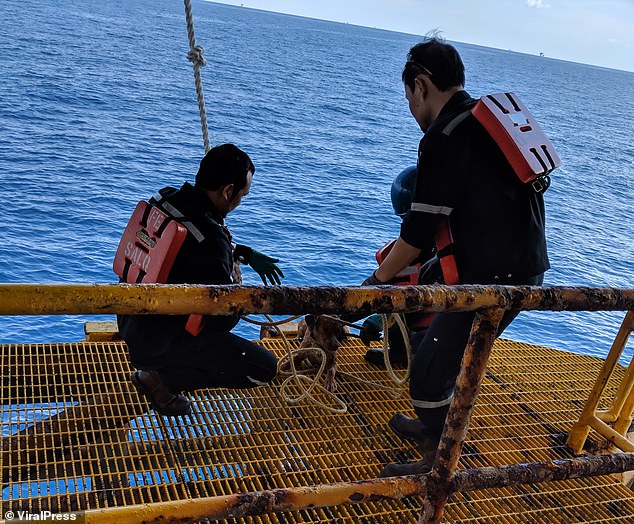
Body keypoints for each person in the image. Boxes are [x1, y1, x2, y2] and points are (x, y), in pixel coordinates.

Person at [362, 36, 550, 476]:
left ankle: (436, 463)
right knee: (438, 356)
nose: (410, 108)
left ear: (421, 85)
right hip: (522, 269)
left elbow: (416, 232)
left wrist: (377, 281)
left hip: (491, 280)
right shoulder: (483, 122)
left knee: (427, 373)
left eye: (409, 95)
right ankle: (434, 430)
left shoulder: (444, 136)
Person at [117, 143, 284, 417]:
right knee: (263, 368)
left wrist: (243, 253)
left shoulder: (166, 198)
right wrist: (242, 296)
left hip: (129, 320)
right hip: (158, 344)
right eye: (242, 195)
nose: (240, 202)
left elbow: (187, 248)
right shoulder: (210, 241)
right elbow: (222, 319)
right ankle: (162, 382)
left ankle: (157, 370)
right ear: (227, 191)